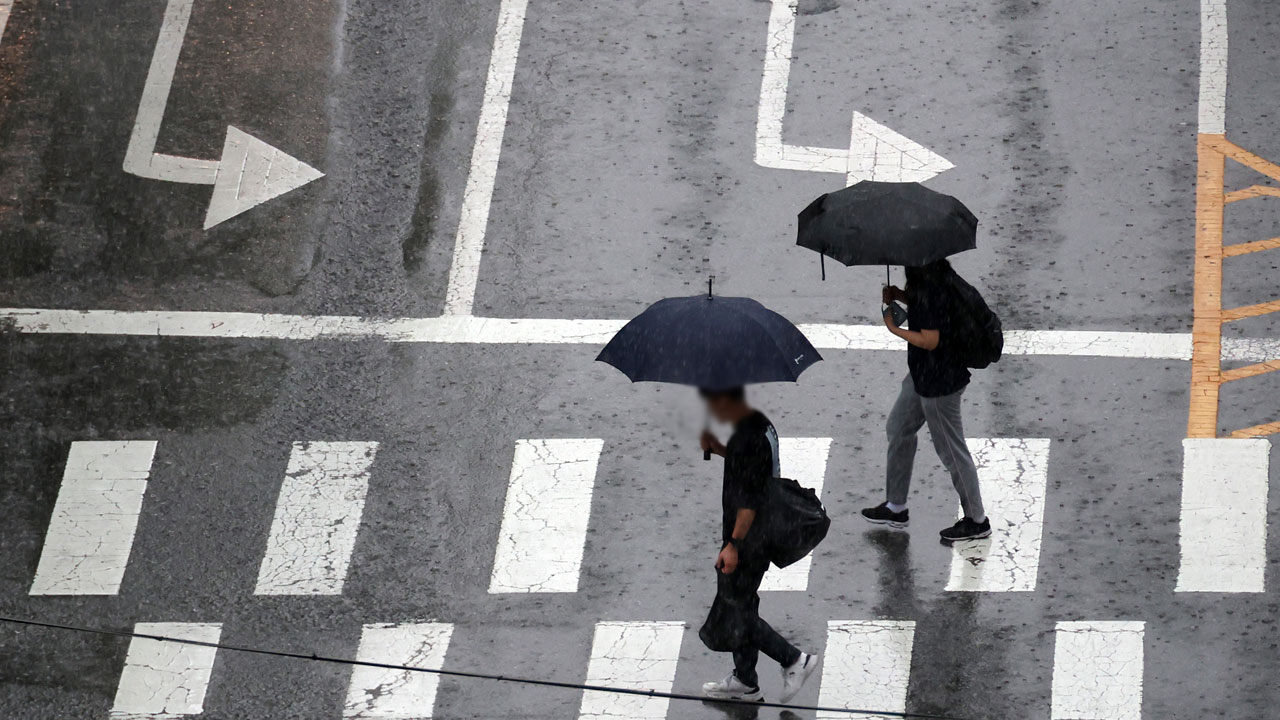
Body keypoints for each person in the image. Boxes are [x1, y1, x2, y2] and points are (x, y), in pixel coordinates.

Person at [697, 386, 819, 703]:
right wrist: (719, 448)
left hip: (749, 537)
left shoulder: (747, 438)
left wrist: (733, 545)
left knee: (737, 611)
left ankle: (793, 659)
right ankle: (745, 680)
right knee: (743, 603)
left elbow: (748, 501)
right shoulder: (756, 424)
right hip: (760, 532)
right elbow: (754, 471)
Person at [861, 259, 992, 542]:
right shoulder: (932, 277)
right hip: (922, 373)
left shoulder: (931, 287)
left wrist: (893, 328)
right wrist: (901, 296)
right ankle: (896, 506)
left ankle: (977, 520)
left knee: (951, 451)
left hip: (939, 382)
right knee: (898, 428)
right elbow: (927, 309)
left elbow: (930, 339)